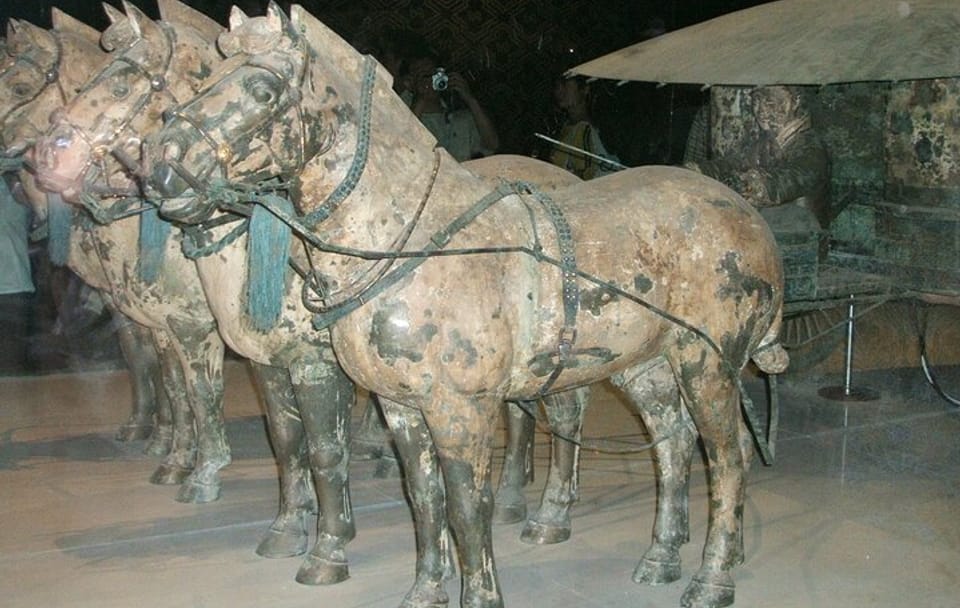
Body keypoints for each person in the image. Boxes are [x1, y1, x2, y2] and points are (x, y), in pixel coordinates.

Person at [687, 85, 831, 227]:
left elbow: (797, 177)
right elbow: (734, 162)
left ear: (795, 101)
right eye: (756, 102)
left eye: (770, 103)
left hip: (803, 236)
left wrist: (758, 186)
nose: (761, 111)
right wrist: (698, 171)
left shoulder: (810, 145)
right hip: (773, 229)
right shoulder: (765, 143)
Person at [407, 51, 499, 161]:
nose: (431, 80)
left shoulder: (463, 119)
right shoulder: (406, 118)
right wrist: (420, 100)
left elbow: (492, 144)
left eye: (434, 74)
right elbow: (402, 147)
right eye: (424, 75)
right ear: (409, 82)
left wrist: (470, 98)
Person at [547, 75, 620, 180]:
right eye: (557, 85)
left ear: (585, 89)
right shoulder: (565, 128)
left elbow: (584, 175)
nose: (560, 90)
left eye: (566, 84)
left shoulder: (586, 129)